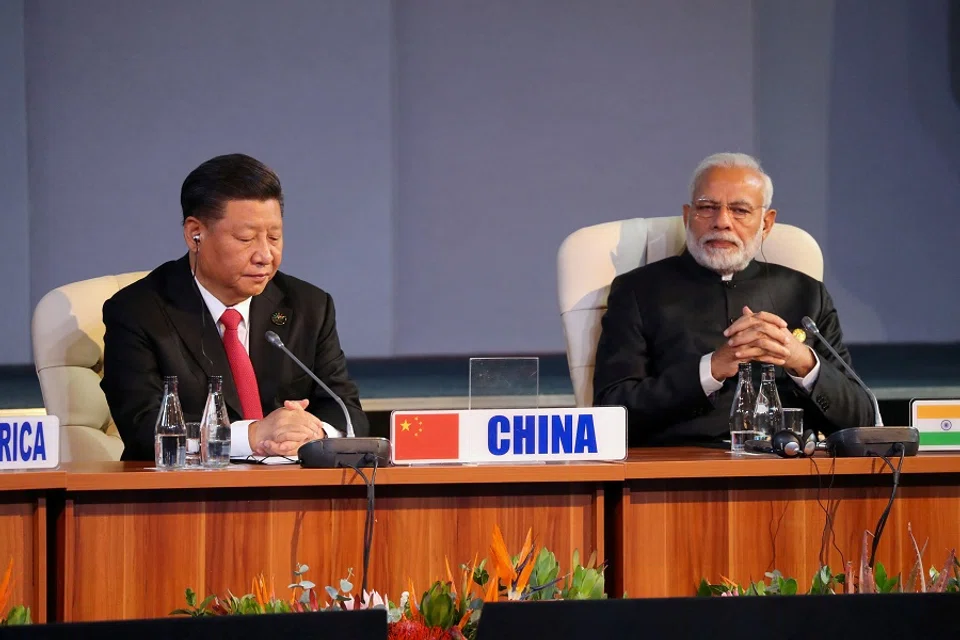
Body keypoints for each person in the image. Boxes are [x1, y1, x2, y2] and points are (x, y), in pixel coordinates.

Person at [592, 152, 874, 446]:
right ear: (688, 216)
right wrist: (710, 369)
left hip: (789, 474)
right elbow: (611, 414)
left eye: (740, 210)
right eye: (707, 207)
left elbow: (862, 420)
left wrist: (801, 360)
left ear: (766, 223)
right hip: (678, 473)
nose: (722, 222)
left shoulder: (806, 294)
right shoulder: (638, 292)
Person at [101, 153, 369, 461]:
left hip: (293, 497)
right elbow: (144, 429)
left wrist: (314, 434)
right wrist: (253, 435)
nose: (265, 255)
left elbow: (348, 413)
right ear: (195, 234)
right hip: (187, 499)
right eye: (246, 239)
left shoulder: (308, 306)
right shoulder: (138, 312)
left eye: (274, 237)